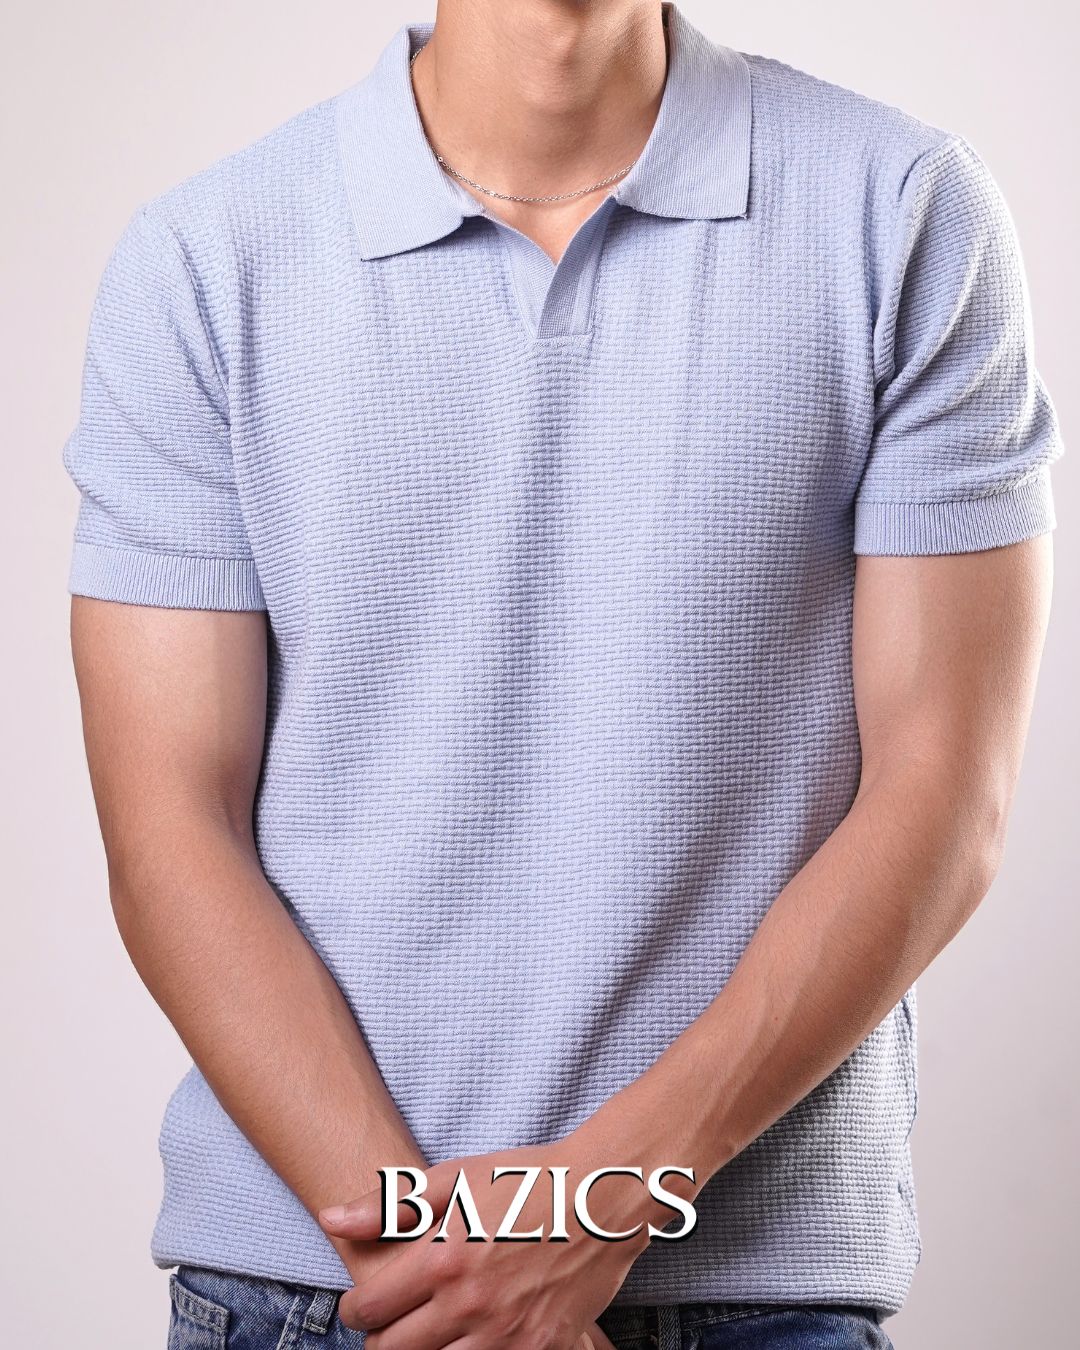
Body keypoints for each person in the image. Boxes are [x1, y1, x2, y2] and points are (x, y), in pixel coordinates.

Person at [62, 2, 1065, 1348]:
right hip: (320, 1289)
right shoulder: (203, 259)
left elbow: (944, 797)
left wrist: (595, 1204)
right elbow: (169, 830)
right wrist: (453, 1279)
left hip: (750, 1291)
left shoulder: (904, 214)